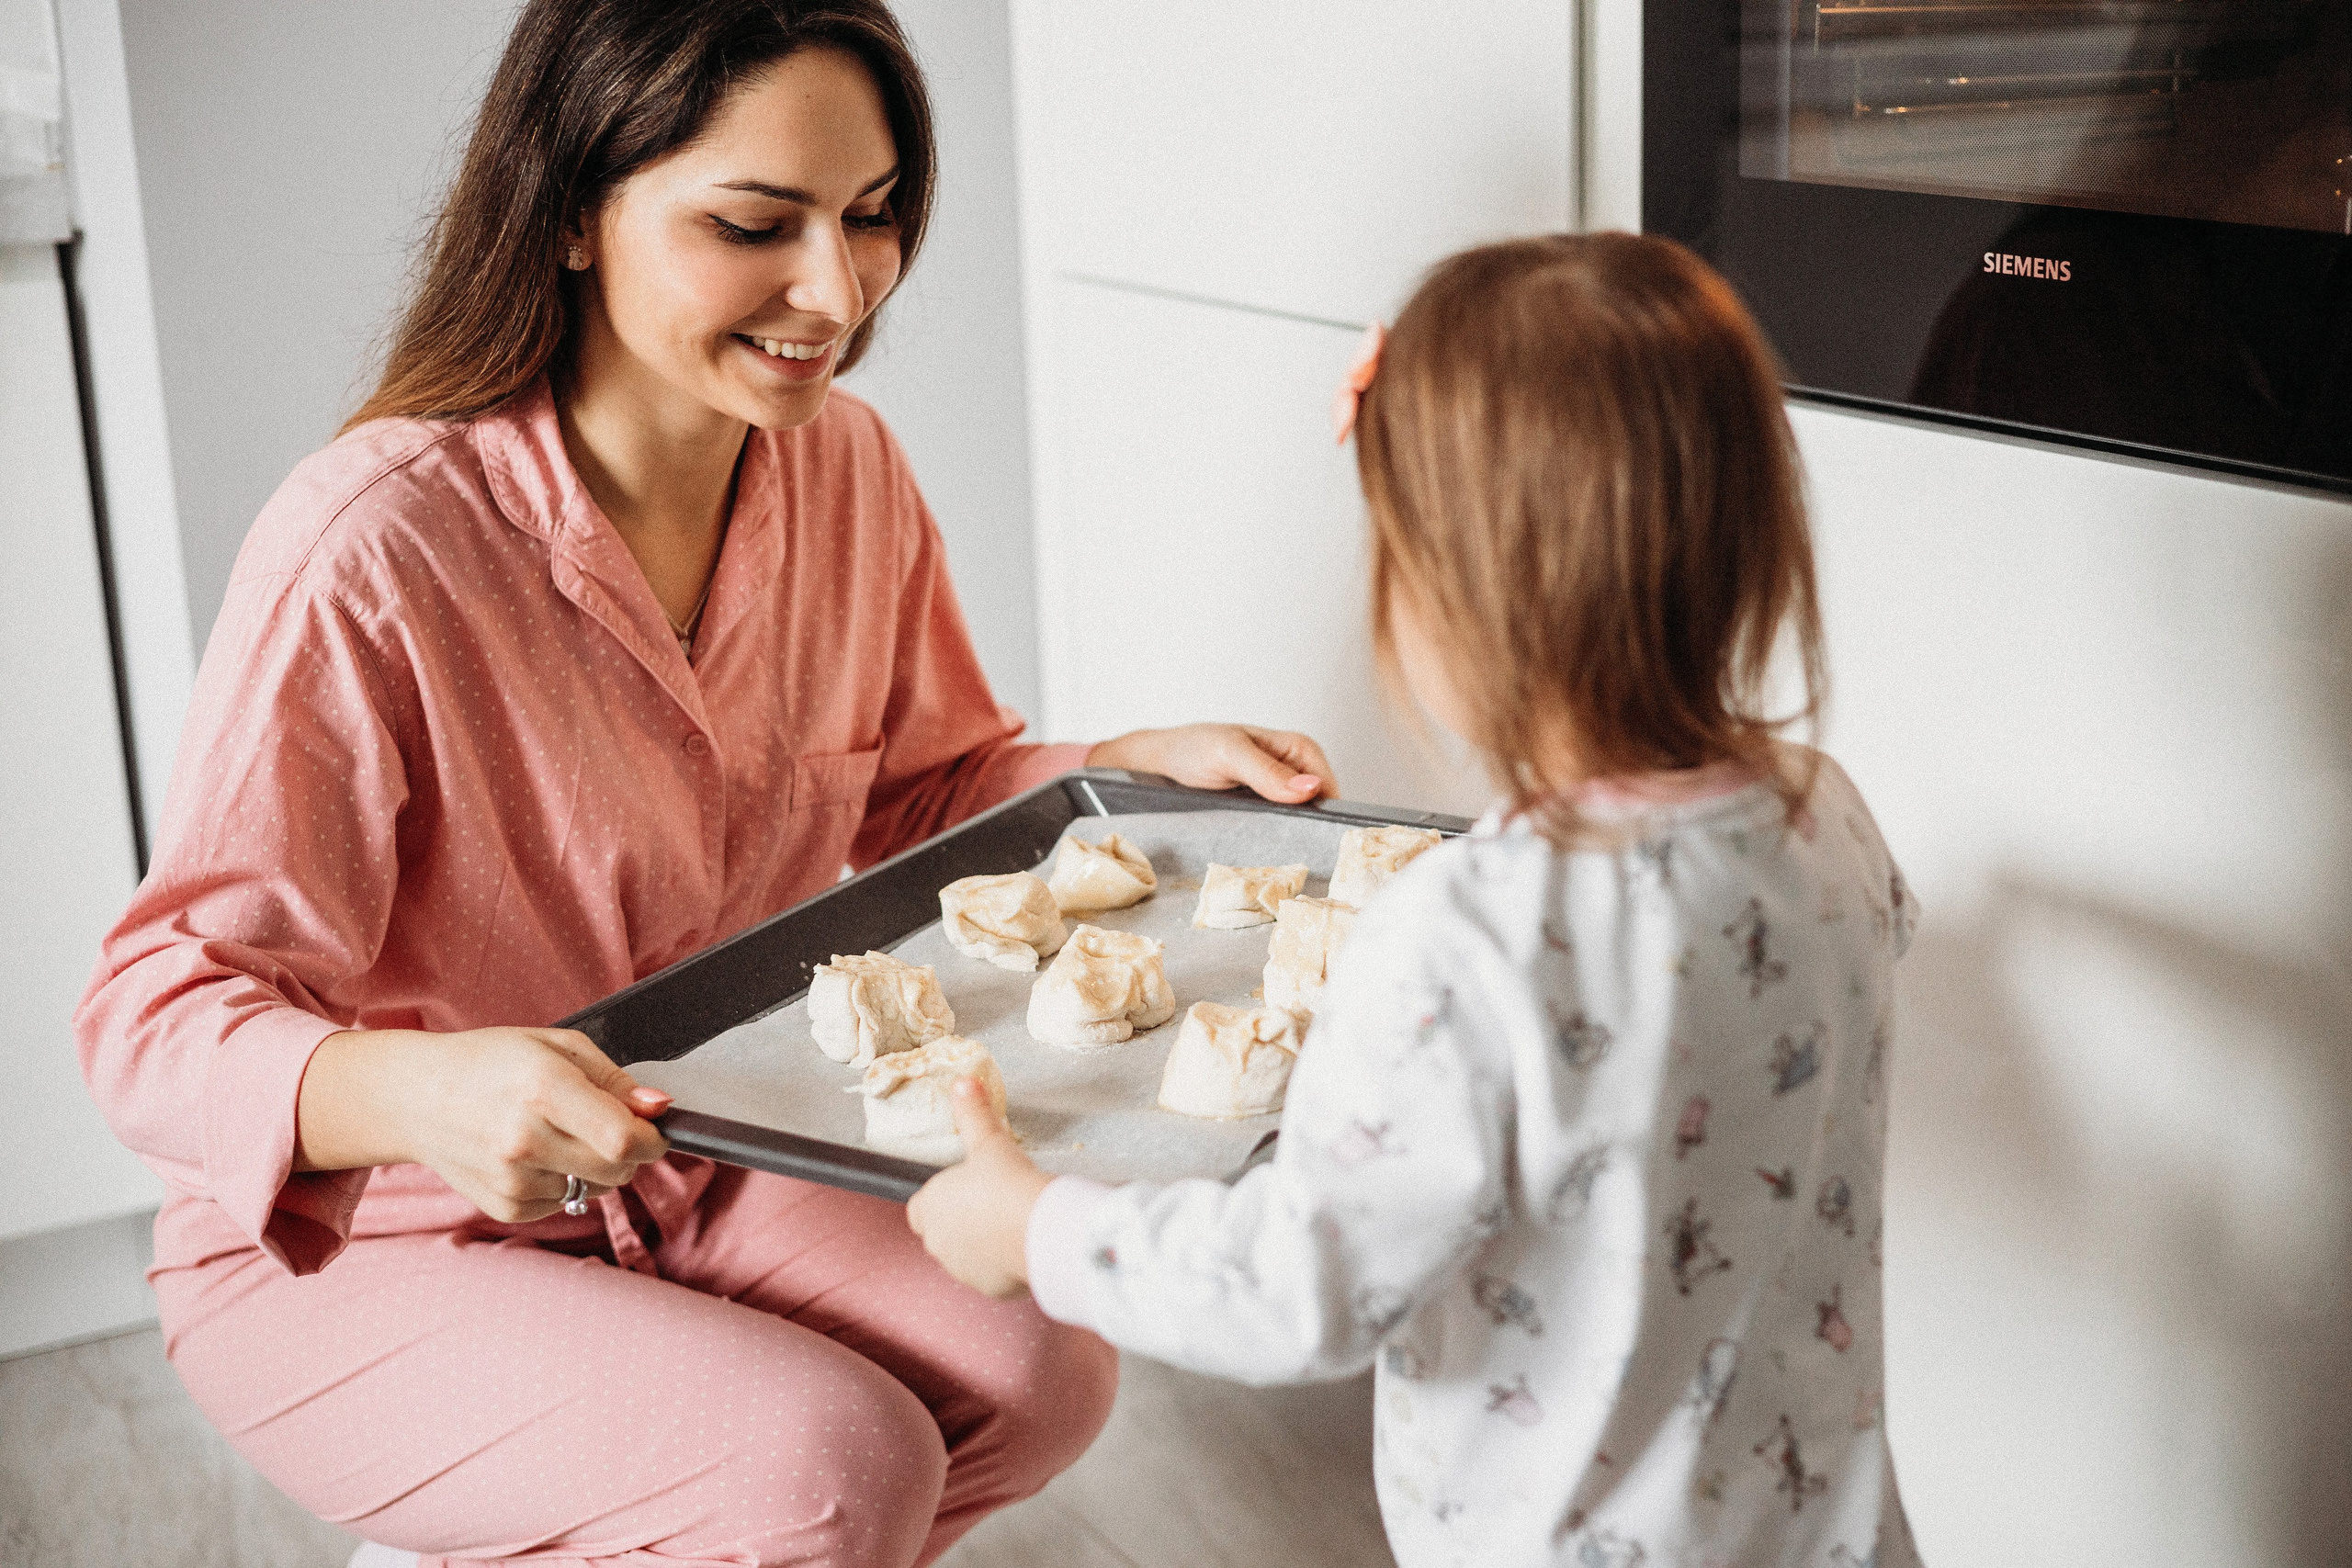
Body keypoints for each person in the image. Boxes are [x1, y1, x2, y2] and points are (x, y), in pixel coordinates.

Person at [74, 4, 1335, 1565]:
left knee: (1044, 1365)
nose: (838, 289)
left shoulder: (850, 471)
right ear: (571, 216)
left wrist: (1113, 772)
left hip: (705, 1154)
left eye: (872, 217)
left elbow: (914, 804)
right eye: (756, 224)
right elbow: (150, 1016)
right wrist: (424, 1090)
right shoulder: (374, 549)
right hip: (379, 1230)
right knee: (825, 1471)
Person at [910, 232, 1925, 1568]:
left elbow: (1299, 1288)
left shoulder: (1468, 934)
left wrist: (1034, 1227)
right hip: (1820, 1528)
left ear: (1450, 599)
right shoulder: (1825, 811)